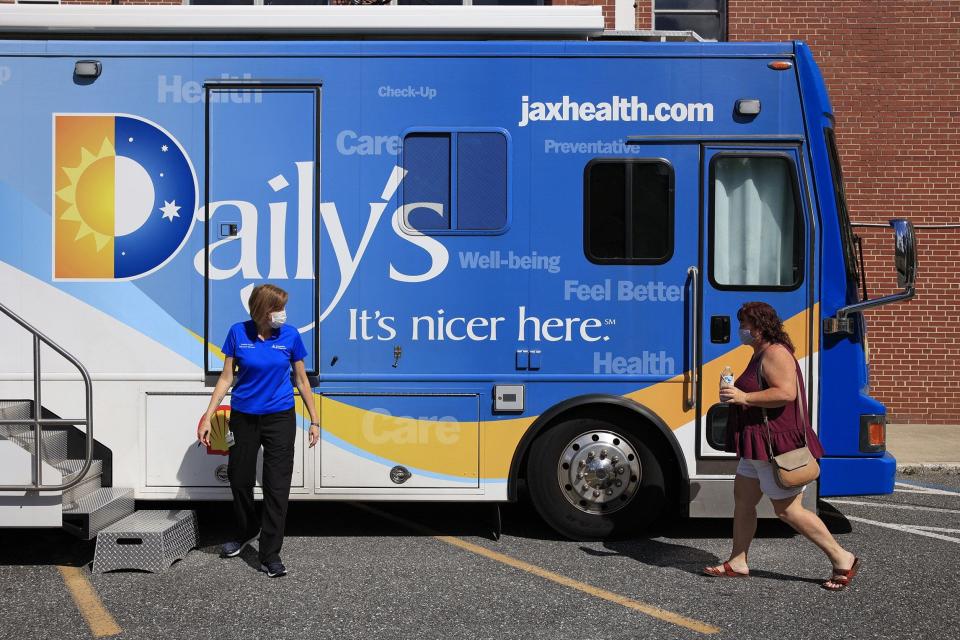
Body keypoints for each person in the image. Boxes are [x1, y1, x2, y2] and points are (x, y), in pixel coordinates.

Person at [703, 301, 860, 591]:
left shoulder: (775, 353)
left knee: (788, 510)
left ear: (760, 328)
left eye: (745, 324)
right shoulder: (761, 352)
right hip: (756, 444)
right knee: (744, 501)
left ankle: (842, 557)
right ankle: (738, 560)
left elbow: (785, 393)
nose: (741, 330)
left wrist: (745, 398)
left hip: (773, 445)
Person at [197, 283, 319, 578]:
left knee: (277, 485)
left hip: (279, 417)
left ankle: (270, 553)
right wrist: (207, 415)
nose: (282, 314)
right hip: (242, 417)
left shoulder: (290, 336)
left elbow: (301, 381)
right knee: (239, 479)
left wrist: (315, 420)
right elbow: (227, 378)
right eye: (278, 308)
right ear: (263, 310)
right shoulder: (238, 333)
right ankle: (246, 528)